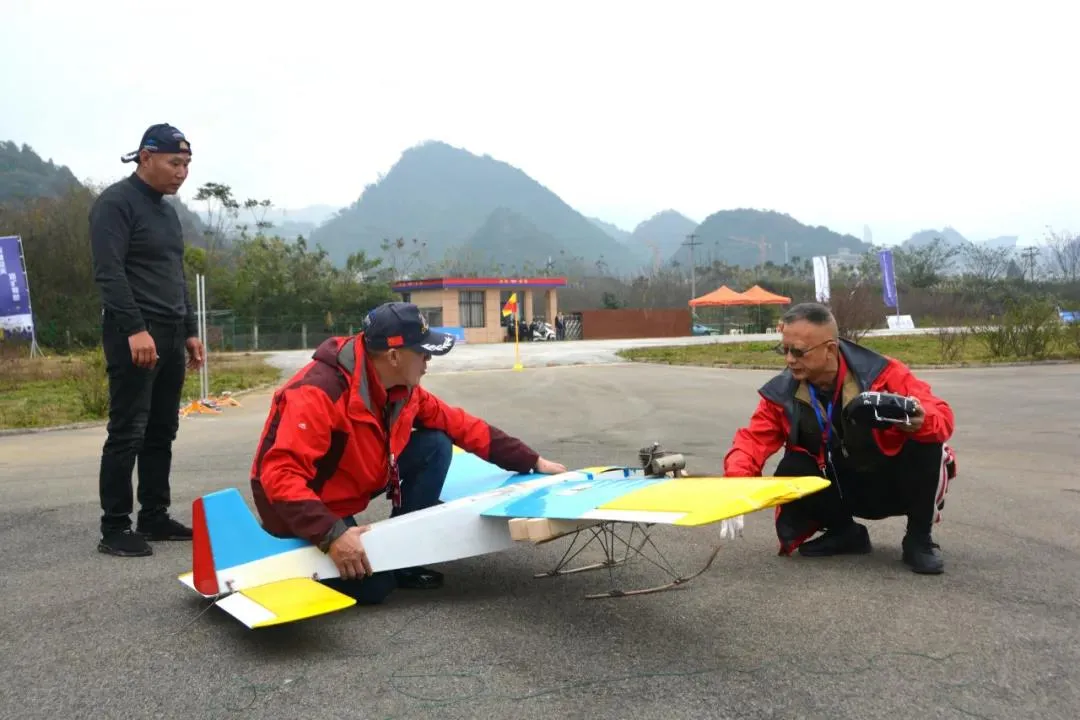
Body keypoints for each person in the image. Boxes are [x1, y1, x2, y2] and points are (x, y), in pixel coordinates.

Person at [249, 301, 567, 602]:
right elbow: (278, 476)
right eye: (424, 354)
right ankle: (282, 546)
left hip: (351, 483)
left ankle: (404, 557)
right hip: (297, 503)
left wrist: (532, 461)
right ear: (394, 356)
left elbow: (461, 425)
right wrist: (332, 535)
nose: (428, 363)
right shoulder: (318, 393)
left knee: (435, 444)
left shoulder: (402, 390)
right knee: (376, 587)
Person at [722, 302, 956, 574]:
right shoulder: (783, 393)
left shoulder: (884, 373)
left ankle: (918, 540)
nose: (789, 360)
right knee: (793, 466)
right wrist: (735, 491)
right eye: (784, 350)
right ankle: (846, 533)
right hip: (844, 487)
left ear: (830, 349)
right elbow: (751, 441)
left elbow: (942, 417)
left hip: (893, 485)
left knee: (928, 440)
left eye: (798, 351)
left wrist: (919, 420)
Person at [89, 123, 205, 558]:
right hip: (134, 332)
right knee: (128, 430)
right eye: (175, 163)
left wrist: (190, 330)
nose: (182, 172)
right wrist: (135, 328)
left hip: (171, 332)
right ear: (145, 157)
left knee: (162, 429)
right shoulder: (115, 204)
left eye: (187, 164)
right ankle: (115, 526)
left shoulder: (166, 212)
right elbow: (109, 271)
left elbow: (175, 274)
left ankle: (153, 514)